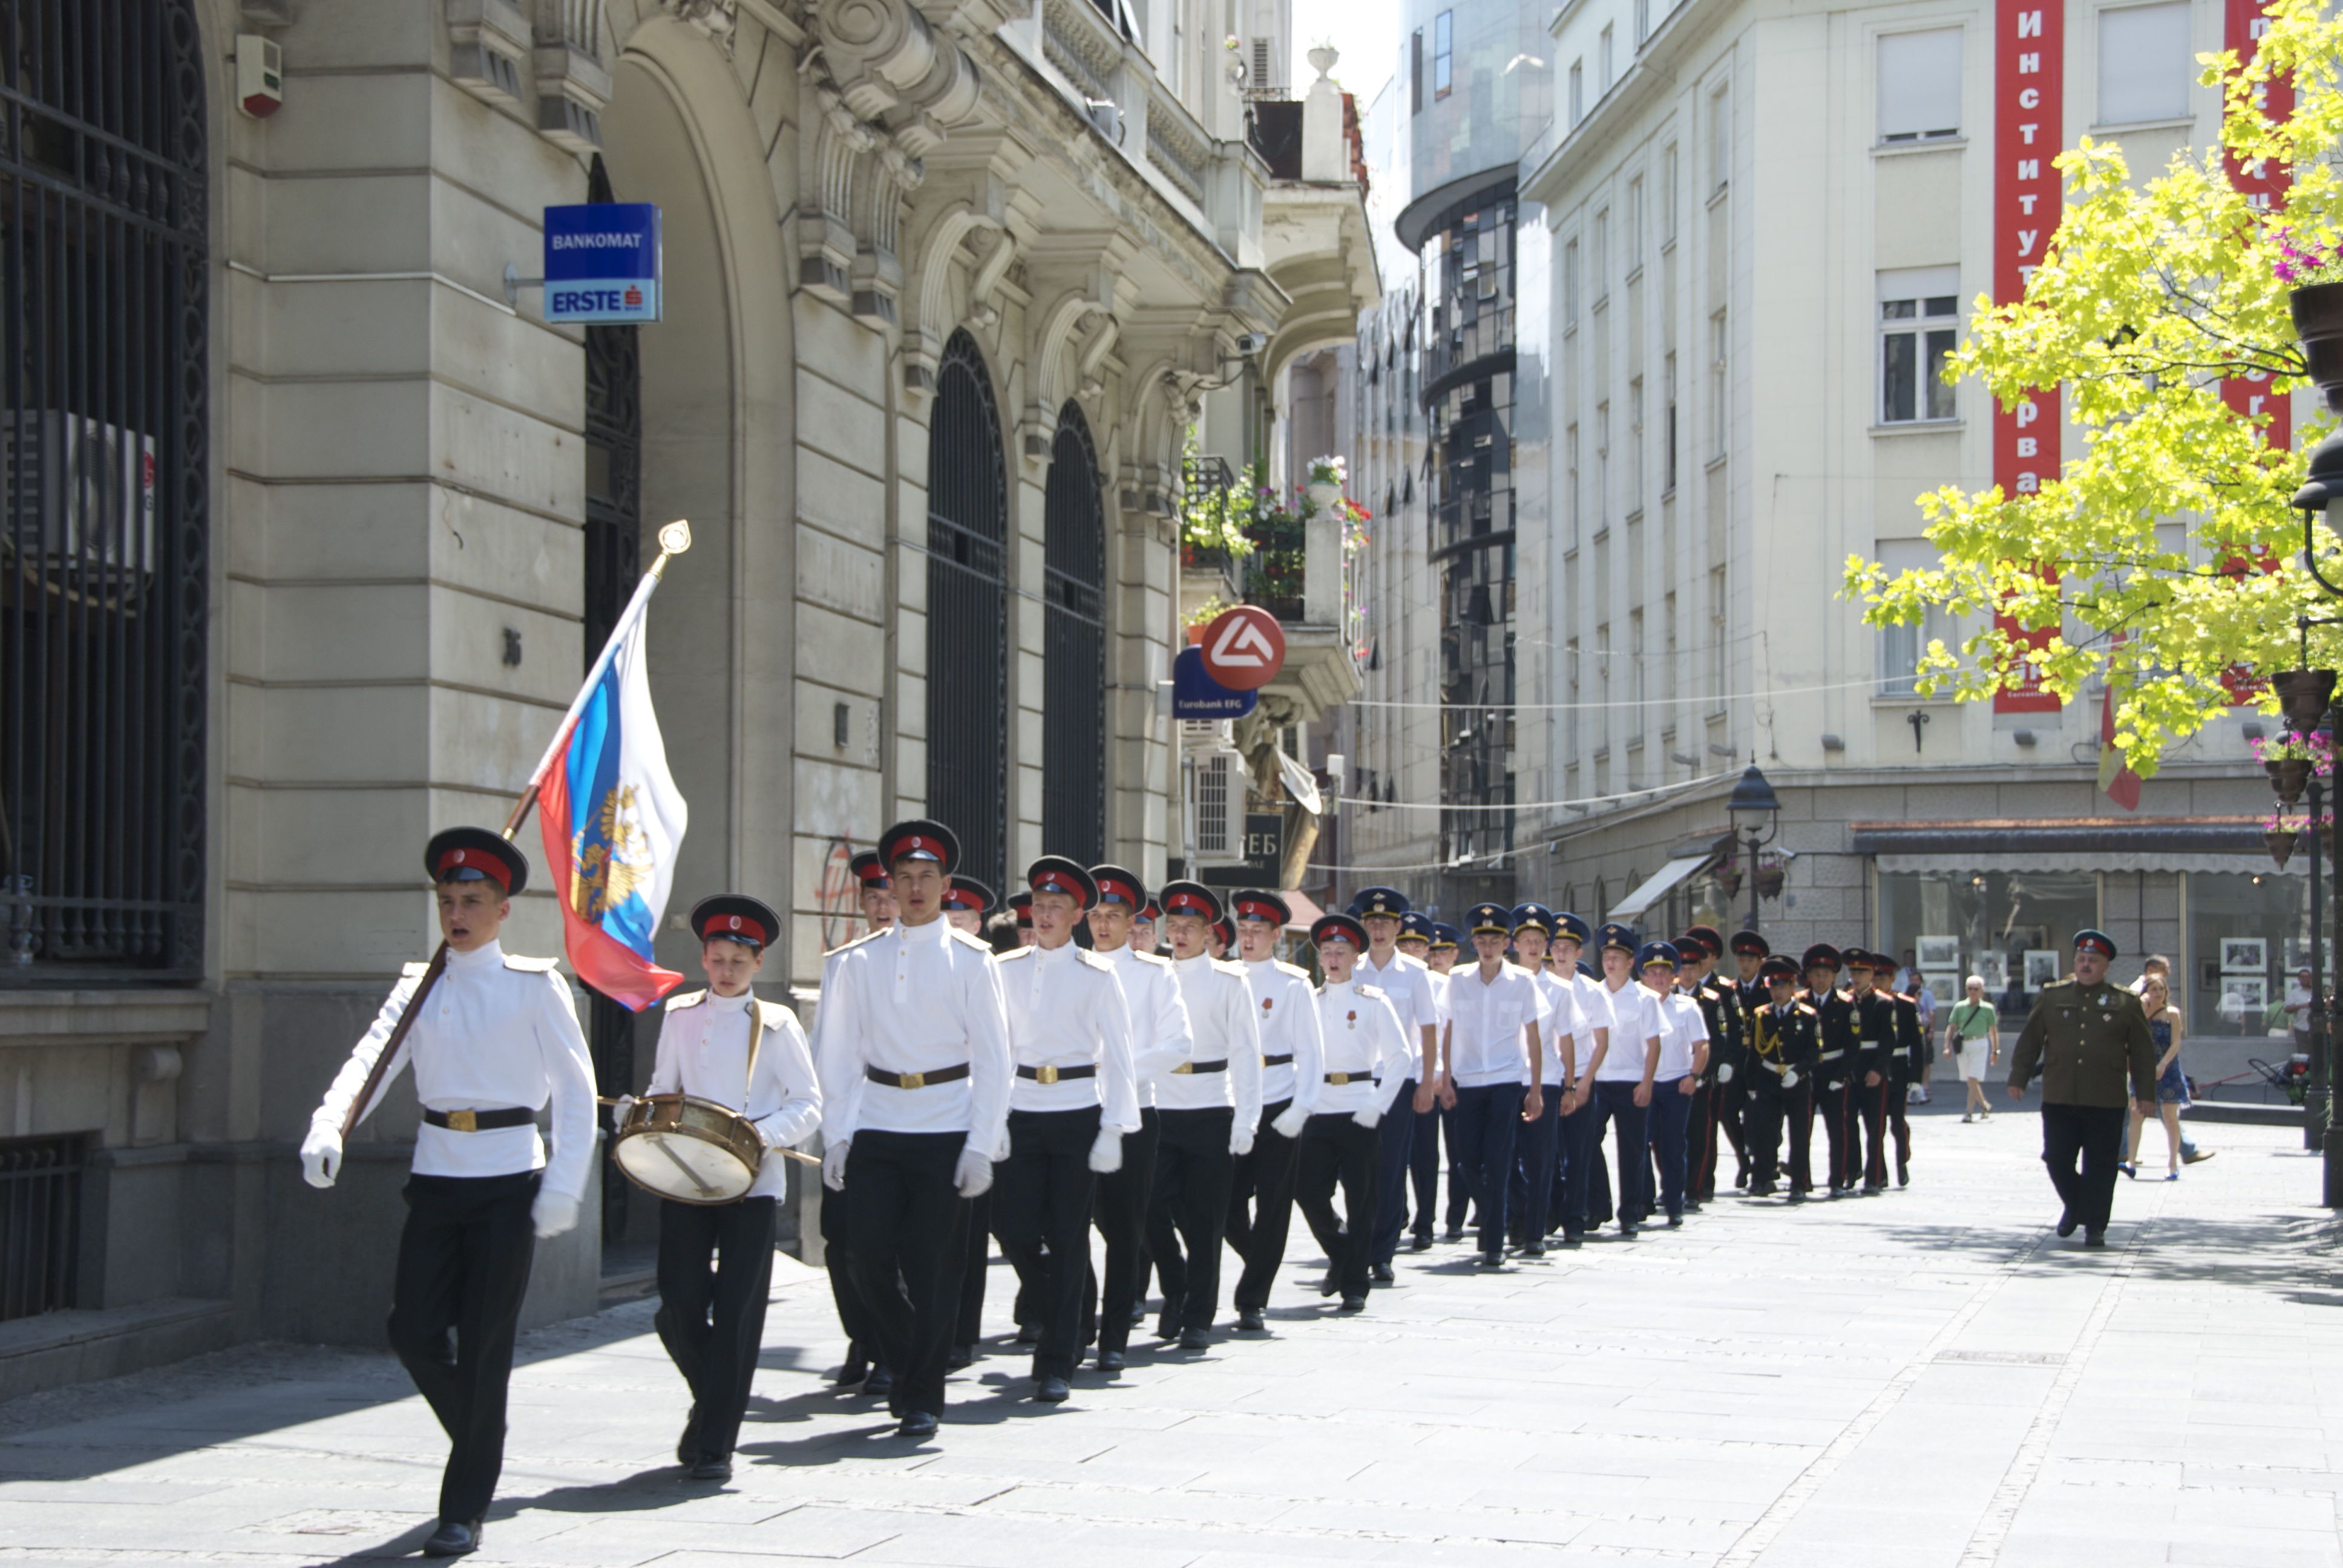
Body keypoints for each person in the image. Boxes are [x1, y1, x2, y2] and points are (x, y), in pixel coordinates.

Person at [298, 829, 595, 1559]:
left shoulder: (534, 985)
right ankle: (481, 1431)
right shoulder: (419, 984)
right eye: (447, 901)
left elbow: (576, 1092)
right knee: (413, 1330)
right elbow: (372, 1061)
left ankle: (462, 1510)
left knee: (486, 1341)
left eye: (471, 901)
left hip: (508, 1179)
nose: (456, 914)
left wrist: (565, 1183)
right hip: (437, 1175)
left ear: (502, 911)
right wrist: (330, 1124)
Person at [814, 818, 1012, 1439]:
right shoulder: (858, 962)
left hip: (946, 1124)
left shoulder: (972, 961)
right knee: (864, 1258)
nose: (916, 888)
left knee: (934, 1268)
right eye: (905, 878)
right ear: (891, 886)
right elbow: (840, 1055)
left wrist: (982, 1143)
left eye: (928, 877)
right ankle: (906, 1361)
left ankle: (923, 1394)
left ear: (946, 885)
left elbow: (995, 1058)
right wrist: (836, 1135)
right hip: (877, 1123)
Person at [618, 894, 821, 1483]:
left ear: (758, 963)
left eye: (738, 960)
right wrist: (639, 1113)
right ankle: (715, 1399)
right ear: (704, 959)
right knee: (678, 1303)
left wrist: (757, 1138)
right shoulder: (680, 1015)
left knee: (736, 1313)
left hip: (751, 1186)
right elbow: (665, 1087)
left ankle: (715, 1444)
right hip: (687, 1179)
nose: (726, 970)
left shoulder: (777, 1024)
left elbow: (808, 1105)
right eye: (717, 958)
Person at [989, 857, 1138, 1403]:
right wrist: (992, 1118)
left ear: (1078, 916)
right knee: (1015, 1230)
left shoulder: (1097, 975)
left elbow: (1119, 1057)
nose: (1045, 914)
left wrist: (1114, 1128)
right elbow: (991, 1050)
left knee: (1069, 1236)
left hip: (1077, 1110)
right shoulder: (1004, 970)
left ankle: (1056, 1361)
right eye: (1038, 905)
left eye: (1057, 907)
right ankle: (1068, 1317)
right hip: (1021, 1108)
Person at [1083, 866, 1190, 1372]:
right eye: (1096, 915)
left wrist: (1119, 1071)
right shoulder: (1071, 967)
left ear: (1133, 924)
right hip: (1073, 1111)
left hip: (1133, 1114)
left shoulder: (1154, 974)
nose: (1103, 925)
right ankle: (1078, 1319)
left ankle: (1114, 1337)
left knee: (1127, 1227)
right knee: (1068, 1225)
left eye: (1113, 916)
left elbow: (1178, 1043)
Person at [1150, 881, 1263, 1348]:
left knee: (1206, 1220)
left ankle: (1198, 1316)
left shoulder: (1230, 982)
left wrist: (1247, 1119)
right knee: (1148, 1208)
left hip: (1211, 1106)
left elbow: (1246, 1053)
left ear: (1207, 933)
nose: (1179, 935)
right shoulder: (1152, 975)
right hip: (1159, 1105)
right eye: (1174, 926)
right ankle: (1175, 1285)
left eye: (1190, 927)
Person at [2005, 929, 2160, 1248]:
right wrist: (2018, 1077)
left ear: (2106, 966)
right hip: (2060, 1094)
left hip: (2106, 1097)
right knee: (2056, 1158)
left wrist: (2145, 1094)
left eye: (2093, 960)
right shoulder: (2053, 996)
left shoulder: (2125, 1002)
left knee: (2101, 1166)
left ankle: (2096, 1227)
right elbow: (2031, 1040)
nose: (2086, 965)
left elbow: (2143, 1053)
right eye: (2081, 959)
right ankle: (2076, 1206)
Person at [1297, 915, 1414, 1309]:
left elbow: (1400, 1058)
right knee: (1307, 1191)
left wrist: (1377, 1106)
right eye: (1327, 952)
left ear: (1355, 958)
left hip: (1359, 1105)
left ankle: (1354, 1287)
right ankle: (1343, 1251)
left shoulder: (1373, 1001)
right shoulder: (1308, 1002)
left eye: (1341, 952)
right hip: (1318, 1107)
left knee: (1361, 1200)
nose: (1333, 959)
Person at [1227, 889, 1326, 1331]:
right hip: (1232, 1102)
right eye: (1243, 930)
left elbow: (1311, 1051)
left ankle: (1252, 1298)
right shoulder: (1223, 977)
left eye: (1257, 931)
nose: (1248, 939)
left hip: (1278, 1099)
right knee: (1226, 1203)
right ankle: (1260, 1258)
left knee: (1273, 1205)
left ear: (1276, 936)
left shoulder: (1293, 983)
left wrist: (1301, 1107)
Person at [819, 851, 898, 1396]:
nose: (883, 907)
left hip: (900, 1119)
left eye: (890, 896)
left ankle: (891, 1348)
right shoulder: (843, 963)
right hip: (850, 1121)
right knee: (840, 1242)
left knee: (889, 1245)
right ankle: (862, 1337)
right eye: (873, 897)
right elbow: (829, 1050)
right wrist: (833, 1133)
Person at [1441, 904, 1546, 1266]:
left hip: (1505, 1079)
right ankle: (1502, 1214)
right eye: (1482, 941)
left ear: (1507, 944)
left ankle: (1495, 1241)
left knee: (1499, 1161)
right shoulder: (1457, 979)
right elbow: (1448, 1030)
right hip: (1469, 1080)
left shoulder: (1523, 982)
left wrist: (1535, 1090)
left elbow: (1533, 1037)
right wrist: (1445, 1077)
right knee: (1467, 1161)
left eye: (1495, 941)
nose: (1488, 948)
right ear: (1474, 944)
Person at [1349, 888, 1443, 1280]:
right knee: (1355, 1167)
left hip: (1399, 1081)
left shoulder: (1416, 974)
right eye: (1372, 922)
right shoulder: (1350, 968)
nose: (1378, 929)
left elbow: (1428, 1031)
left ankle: (1382, 1252)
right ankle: (1356, 1241)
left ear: (1398, 927)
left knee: (1390, 1167)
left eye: (1385, 923)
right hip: (1355, 1081)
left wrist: (1426, 1083)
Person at [1506, 904, 1579, 1255]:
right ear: (1514, 944)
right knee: (1501, 1158)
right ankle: (1517, 1212)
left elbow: (1566, 1041)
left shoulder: (1560, 989)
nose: (1533, 947)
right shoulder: (1501, 983)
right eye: (1527, 940)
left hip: (1545, 1080)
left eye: (1539, 940)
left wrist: (1570, 1086)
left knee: (1541, 1160)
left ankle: (1534, 1232)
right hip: (1505, 1078)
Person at [1589, 923, 1662, 1236]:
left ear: (1631, 962)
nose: (1610, 962)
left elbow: (1653, 1045)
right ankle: (1598, 1205)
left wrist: (1647, 1083)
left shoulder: (1645, 999)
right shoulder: (1592, 994)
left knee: (1632, 1149)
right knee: (1588, 1141)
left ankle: (1630, 1211)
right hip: (1598, 1080)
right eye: (1607, 956)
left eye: (1617, 957)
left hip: (1631, 1080)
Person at [1548, 913, 1613, 1247]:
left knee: (1577, 1153)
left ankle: (1575, 1218)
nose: (1561, 954)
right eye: (1556, 947)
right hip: (1546, 1080)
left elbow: (1601, 1043)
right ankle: (1549, 1213)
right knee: (1546, 1152)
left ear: (1579, 954)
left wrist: (1585, 1082)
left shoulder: (1592, 992)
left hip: (1581, 1078)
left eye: (1567, 948)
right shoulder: (1539, 987)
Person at [1642, 943, 1708, 1227]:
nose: (1658, 978)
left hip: (1675, 1085)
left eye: (1664, 973)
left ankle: (1674, 1203)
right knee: (1640, 1144)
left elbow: (1702, 1045)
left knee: (1673, 1146)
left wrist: (1694, 1076)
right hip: (1644, 1084)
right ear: (1644, 976)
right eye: (1653, 973)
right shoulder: (1637, 1004)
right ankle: (1642, 1201)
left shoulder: (1687, 1007)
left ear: (1674, 977)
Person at [1404, 923, 1461, 1251]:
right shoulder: (1395, 981)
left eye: (1417, 946)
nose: (1411, 951)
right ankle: (1398, 1213)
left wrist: (1442, 1073)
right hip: (1401, 1076)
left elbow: (1447, 1033)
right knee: (1398, 1152)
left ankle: (1428, 1221)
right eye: (1405, 945)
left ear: (1426, 951)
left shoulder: (1443, 985)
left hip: (1435, 1075)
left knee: (1430, 1153)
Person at [1742, 955, 1816, 1198]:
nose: (1777, 993)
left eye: (1782, 987)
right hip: (1768, 1079)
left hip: (1797, 1082)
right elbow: (1754, 1053)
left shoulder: (1807, 1015)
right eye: (1773, 987)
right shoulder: (1761, 1015)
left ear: (1793, 986)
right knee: (1764, 1133)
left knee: (1799, 1135)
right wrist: (1751, 1083)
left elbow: (1814, 1052)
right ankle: (1762, 1179)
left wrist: (1798, 1072)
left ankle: (1799, 1183)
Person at [1800, 945, 1858, 1198]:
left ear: (1835, 977)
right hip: (1807, 1073)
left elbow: (1853, 1045)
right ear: (1809, 976)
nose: (1821, 980)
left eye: (1826, 974)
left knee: (1837, 1130)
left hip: (1834, 1071)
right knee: (1802, 1129)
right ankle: (1802, 1179)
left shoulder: (1845, 1004)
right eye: (1816, 974)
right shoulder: (1800, 1002)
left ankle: (1837, 1179)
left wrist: (1841, 1076)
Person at [2122, 975, 2189, 1181]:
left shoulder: (2172, 1014)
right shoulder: (2139, 1013)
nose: (2158, 993)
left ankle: (2172, 1164)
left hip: (2167, 1070)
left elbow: (2176, 1043)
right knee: (2136, 1113)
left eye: (2161, 989)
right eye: (2153, 990)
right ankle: (2131, 1162)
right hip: (2142, 1071)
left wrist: (2163, 1064)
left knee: (2169, 1116)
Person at [1844, 949, 1896, 1196]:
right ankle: (1851, 1170)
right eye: (1853, 972)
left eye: (1862, 972)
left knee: (1875, 1127)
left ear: (1871, 974)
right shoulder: (1845, 1001)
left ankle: (1874, 1177)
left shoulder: (1883, 1003)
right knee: (1847, 1123)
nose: (1856, 977)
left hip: (1873, 1068)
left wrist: (1878, 1070)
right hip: (1849, 1070)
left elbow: (1888, 1041)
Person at [1946, 976, 1999, 1123]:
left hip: (1980, 1043)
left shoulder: (1988, 1009)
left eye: (1976, 989)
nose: (1973, 992)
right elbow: (1951, 1027)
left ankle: (1969, 1112)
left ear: (1982, 991)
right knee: (1970, 1080)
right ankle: (1984, 1106)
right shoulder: (1959, 1007)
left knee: (1973, 1078)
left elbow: (1993, 1031)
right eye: (1970, 988)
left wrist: (1995, 1051)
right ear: (1966, 990)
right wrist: (1946, 1047)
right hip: (1964, 1044)